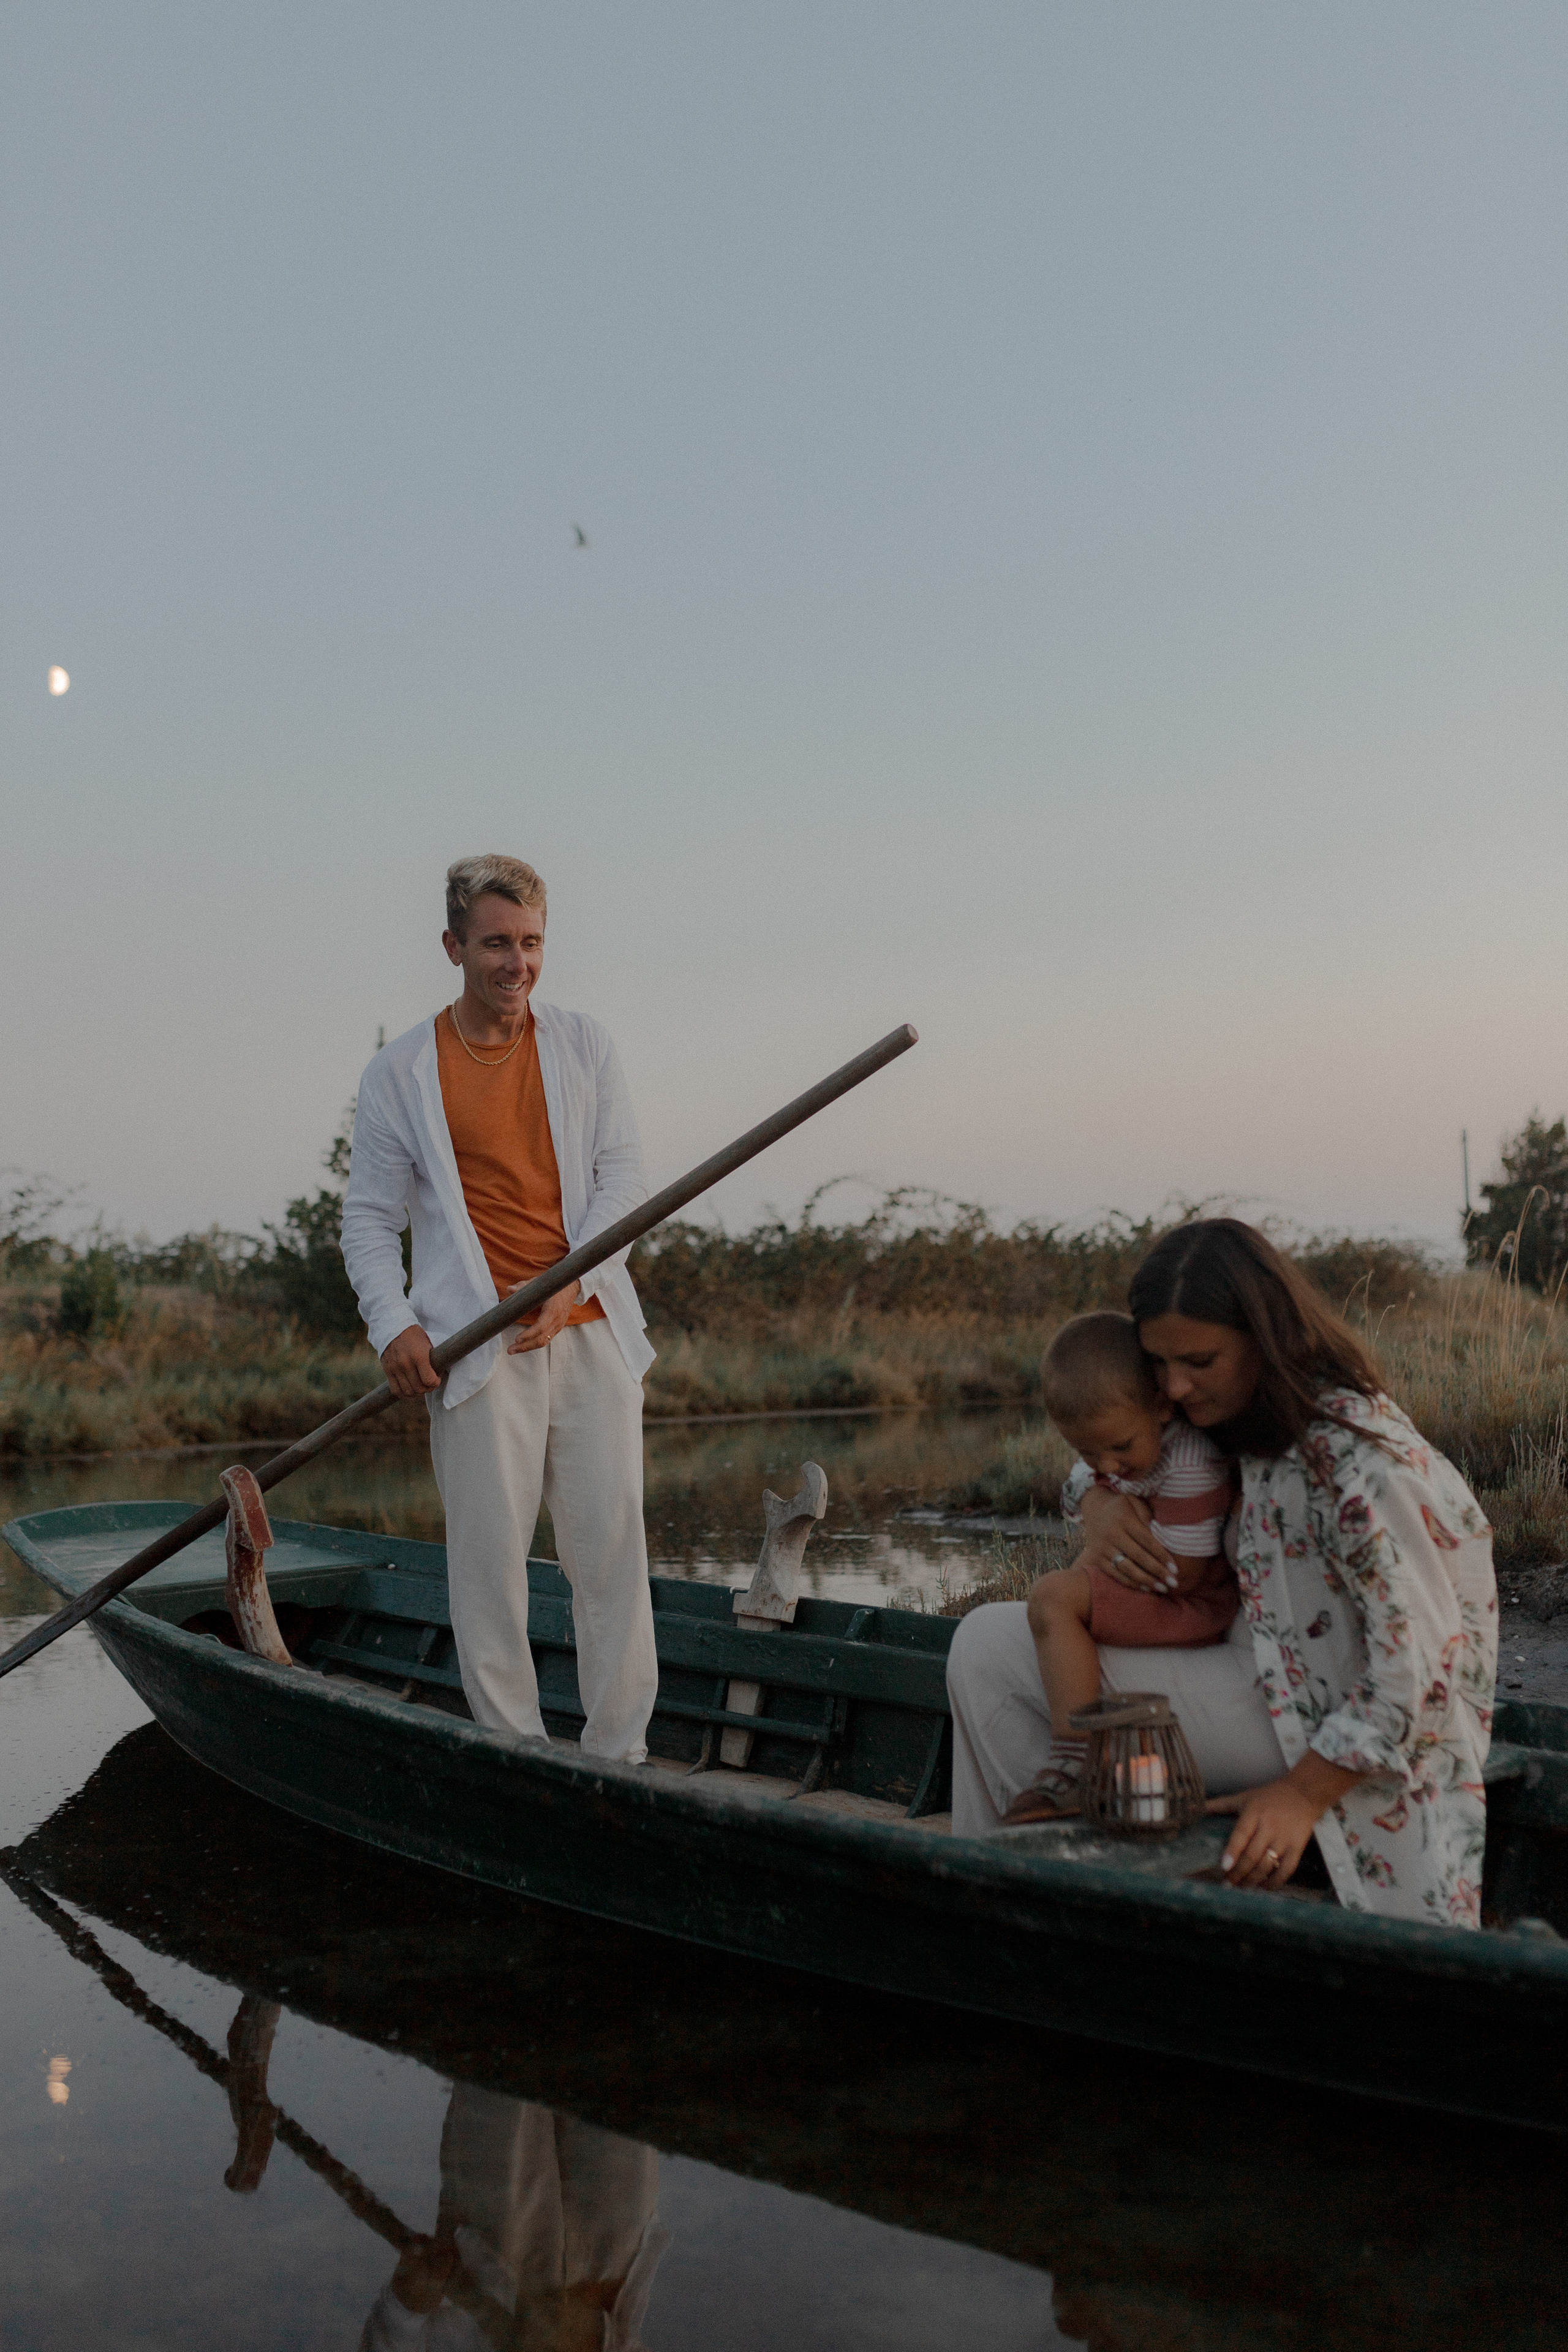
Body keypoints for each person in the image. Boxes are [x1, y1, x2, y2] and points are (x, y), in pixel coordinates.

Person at [946, 1219, 1498, 1928]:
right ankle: (1045, 1882)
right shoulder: (1231, 1413)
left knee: (990, 1654)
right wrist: (1095, 1501)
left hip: (1326, 1720)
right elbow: (1115, 1448)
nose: (1174, 1387)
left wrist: (1300, 1794)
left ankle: (1036, 1902)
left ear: (1263, 1336)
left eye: (1198, 1361)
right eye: (1160, 1365)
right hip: (1263, 1674)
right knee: (987, 1639)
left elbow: (1421, 1671)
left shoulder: (1359, 1466)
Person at [341, 854, 659, 1759]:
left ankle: (620, 1757)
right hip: (475, 1353)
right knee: (490, 1576)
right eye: (494, 944)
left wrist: (571, 1284)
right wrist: (394, 1324)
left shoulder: (585, 1043)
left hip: (592, 1334)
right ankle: (513, 1755)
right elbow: (368, 1219)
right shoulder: (399, 1073)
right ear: (453, 946)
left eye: (530, 943)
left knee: (609, 1562)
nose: (515, 963)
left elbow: (623, 1179)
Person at [1002, 1311, 1237, 1824]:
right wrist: (1097, 1503)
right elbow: (1083, 1485)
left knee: (1051, 1598)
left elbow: (1182, 1575)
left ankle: (1076, 1755)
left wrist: (1095, 1566)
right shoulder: (1127, 1438)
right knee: (1060, 1595)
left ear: (1159, 1406)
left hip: (1191, 1608)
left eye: (1120, 1448)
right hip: (1167, 1590)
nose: (1106, 1465)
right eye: (1087, 1451)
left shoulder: (1190, 1464)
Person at [360, 2084, 668, 2351]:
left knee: (500, 2078)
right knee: (618, 2070)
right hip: (608, 2278)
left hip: (494, 2253)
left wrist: (406, 2305)